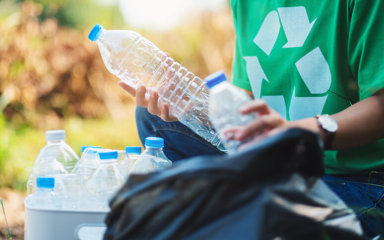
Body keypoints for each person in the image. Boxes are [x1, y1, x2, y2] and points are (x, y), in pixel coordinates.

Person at [119, 0, 384, 237]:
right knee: (157, 119)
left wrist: (299, 132)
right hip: (276, 166)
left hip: (356, 178)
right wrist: (195, 107)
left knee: (248, 221)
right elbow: (248, 100)